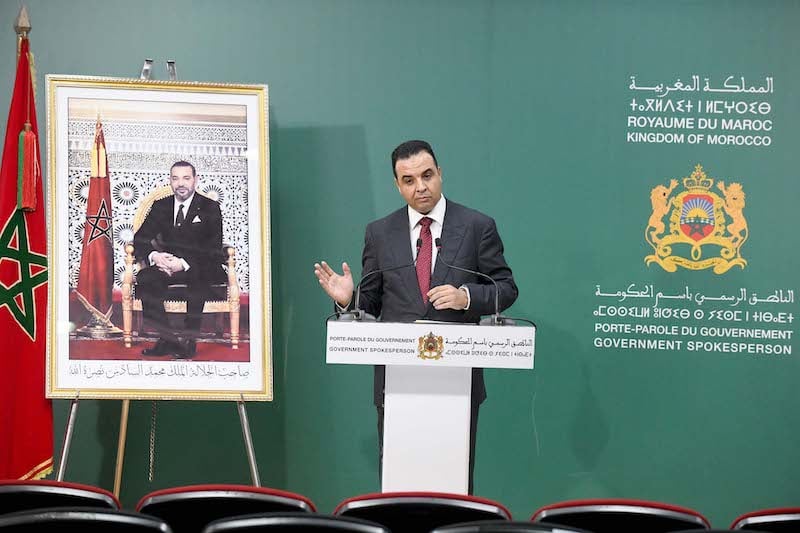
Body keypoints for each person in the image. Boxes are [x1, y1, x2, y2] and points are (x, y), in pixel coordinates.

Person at [314, 140, 517, 493]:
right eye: (409, 180)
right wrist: (349, 300)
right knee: (399, 485)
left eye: (427, 175)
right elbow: (371, 301)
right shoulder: (379, 233)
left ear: (440, 174)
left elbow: (506, 288)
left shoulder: (476, 226)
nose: (420, 187)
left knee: (453, 482)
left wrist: (466, 297)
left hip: (457, 379)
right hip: (397, 381)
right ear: (397, 185)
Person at [134, 160, 225, 358]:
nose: (180, 183)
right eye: (175, 178)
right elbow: (140, 238)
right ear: (170, 181)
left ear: (195, 180)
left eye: (186, 178)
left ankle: (188, 340)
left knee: (198, 276)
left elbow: (213, 247)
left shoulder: (210, 207)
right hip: (168, 265)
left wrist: (182, 264)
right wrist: (156, 256)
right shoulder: (161, 206)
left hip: (201, 265)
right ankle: (167, 339)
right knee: (146, 277)